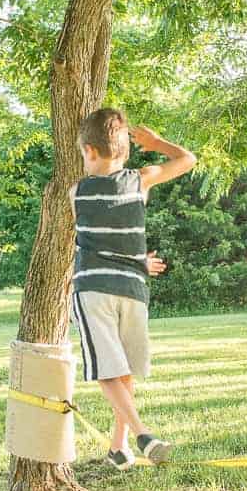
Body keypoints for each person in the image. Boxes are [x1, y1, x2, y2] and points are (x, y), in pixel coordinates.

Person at [69, 108, 196, 469]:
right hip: (132, 288)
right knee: (120, 369)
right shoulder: (141, 180)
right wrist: (156, 143)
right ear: (125, 151)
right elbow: (188, 159)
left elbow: (97, 241)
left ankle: (128, 440)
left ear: (90, 151)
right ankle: (135, 437)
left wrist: (136, 259)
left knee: (112, 370)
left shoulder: (76, 191)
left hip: (93, 287)